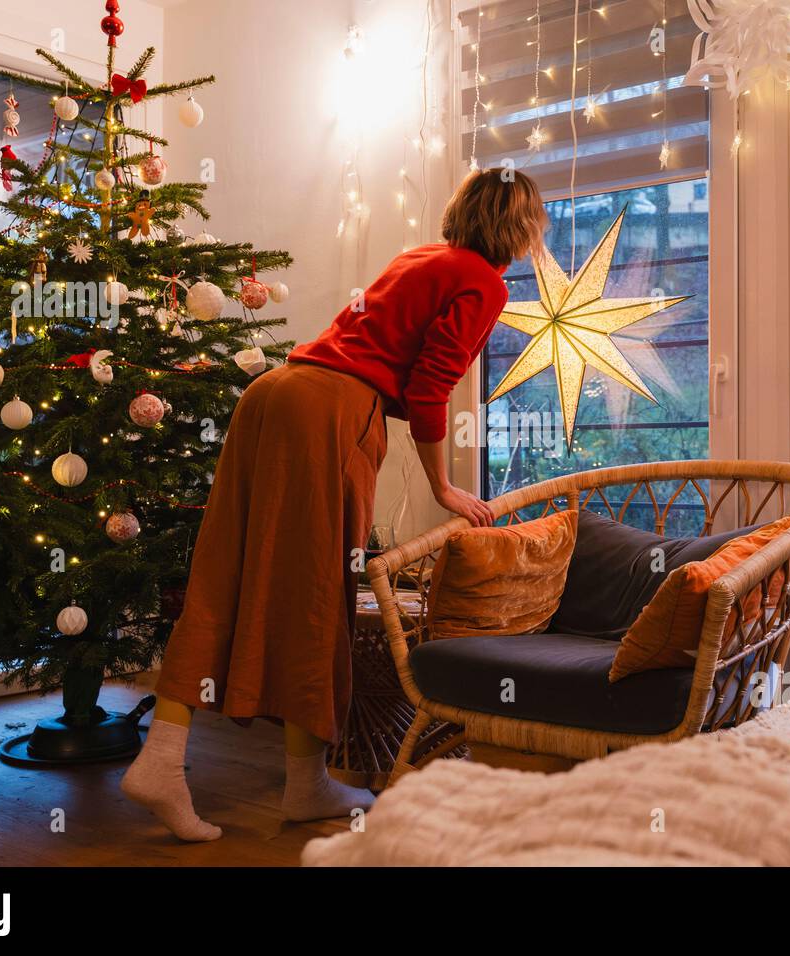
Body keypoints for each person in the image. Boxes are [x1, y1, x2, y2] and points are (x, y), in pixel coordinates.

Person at [121, 168, 549, 841]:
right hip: (330, 414)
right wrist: (442, 487)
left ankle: (242, 771)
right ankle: (228, 771)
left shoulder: (422, 257)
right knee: (319, 596)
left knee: (222, 573)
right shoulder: (483, 282)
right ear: (523, 227)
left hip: (275, 391)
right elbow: (433, 388)